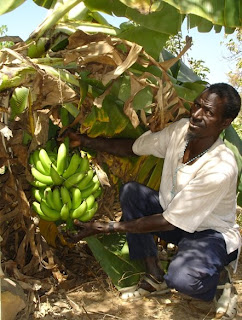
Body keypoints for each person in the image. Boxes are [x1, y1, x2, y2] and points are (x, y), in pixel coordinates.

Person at [60, 83, 241, 316]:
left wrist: (109, 227)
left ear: (225, 123)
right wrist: (84, 141)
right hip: (175, 219)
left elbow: (169, 222)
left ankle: (218, 282)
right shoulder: (180, 131)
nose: (196, 114)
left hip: (210, 234)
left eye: (208, 112)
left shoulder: (220, 167)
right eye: (197, 105)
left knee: (183, 279)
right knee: (132, 192)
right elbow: (134, 148)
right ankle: (155, 276)